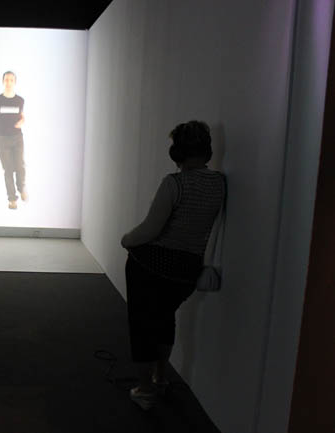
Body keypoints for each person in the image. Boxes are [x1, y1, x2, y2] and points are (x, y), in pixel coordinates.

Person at [120, 120, 226, 410]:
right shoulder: (219, 183)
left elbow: (151, 229)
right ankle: (160, 378)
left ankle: (144, 390)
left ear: (177, 152)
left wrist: (126, 239)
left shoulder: (175, 183)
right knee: (166, 319)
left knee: (141, 325)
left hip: (151, 268)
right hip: (186, 271)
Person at [0, 71, 27, 210]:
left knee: (20, 166)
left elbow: (22, 116)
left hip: (17, 138)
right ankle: (12, 199)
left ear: (14, 82)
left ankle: (21, 188)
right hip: (2, 139)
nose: (8, 82)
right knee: (8, 169)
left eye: (11, 80)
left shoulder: (20, 100)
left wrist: (22, 121)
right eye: (6, 80)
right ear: (3, 81)